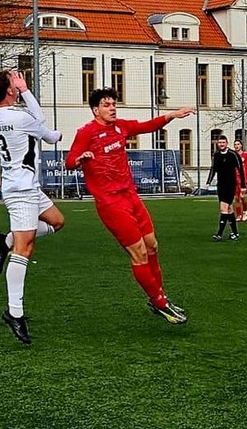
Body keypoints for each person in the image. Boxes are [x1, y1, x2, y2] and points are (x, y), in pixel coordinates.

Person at [67, 88, 195, 323]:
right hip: (110, 203)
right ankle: (160, 303)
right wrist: (80, 159)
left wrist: (173, 114)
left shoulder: (121, 126)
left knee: (152, 246)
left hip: (130, 196)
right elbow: (69, 162)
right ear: (95, 110)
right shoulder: (86, 132)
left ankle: (160, 296)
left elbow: (148, 126)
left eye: (114, 104)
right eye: (106, 105)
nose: (112, 108)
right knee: (139, 252)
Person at [0, 69, 66, 345]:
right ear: (10, 91)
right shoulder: (19, 117)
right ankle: (14, 313)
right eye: (14, 82)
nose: (18, 84)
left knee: (57, 221)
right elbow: (45, 129)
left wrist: (51, 134)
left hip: (28, 187)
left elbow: (40, 128)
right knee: (25, 249)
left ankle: (4, 241)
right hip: (20, 191)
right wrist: (27, 90)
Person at [206, 135, 244, 241]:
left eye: (223, 142)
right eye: (220, 142)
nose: (221, 144)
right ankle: (235, 233)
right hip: (221, 185)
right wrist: (208, 182)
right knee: (229, 209)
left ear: (227, 143)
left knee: (223, 208)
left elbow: (240, 169)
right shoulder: (216, 155)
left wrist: (243, 186)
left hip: (230, 184)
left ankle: (219, 234)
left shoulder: (233, 154)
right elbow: (213, 169)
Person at [232, 138, 247, 221]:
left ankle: (244, 211)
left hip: (243, 179)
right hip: (234, 179)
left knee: (242, 196)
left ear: (241, 145)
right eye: (235, 144)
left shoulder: (246, 155)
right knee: (236, 198)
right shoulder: (233, 155)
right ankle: (238, 215)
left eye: (238, 144)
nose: (236, 146)